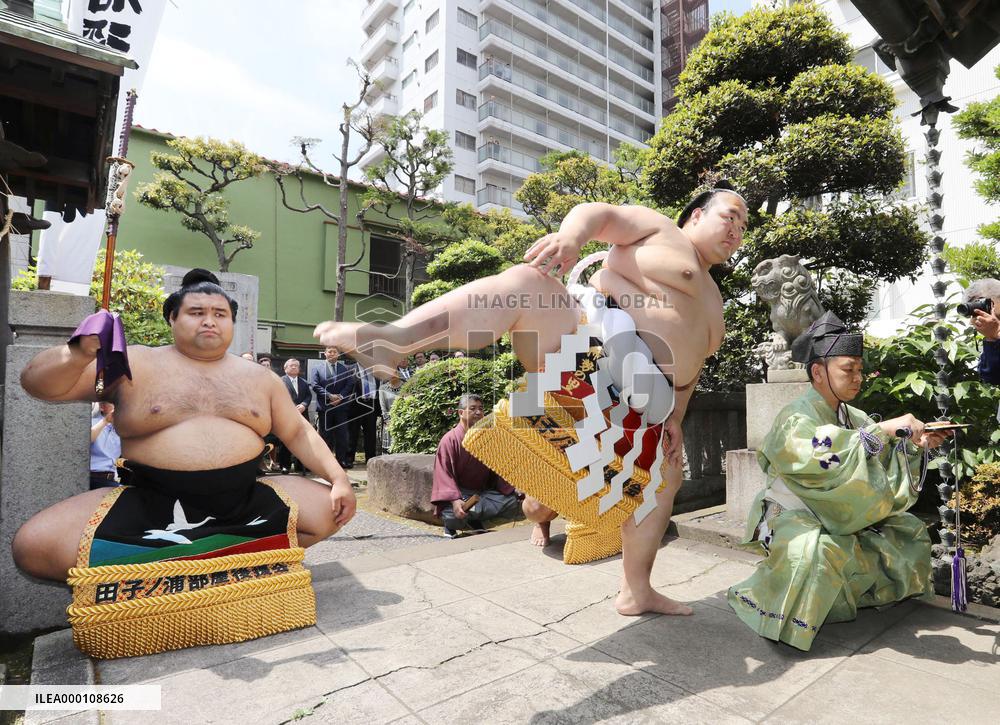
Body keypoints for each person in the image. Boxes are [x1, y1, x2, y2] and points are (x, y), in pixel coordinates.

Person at [315, 190, 748, 616]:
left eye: (744, 225)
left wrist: (675, 416)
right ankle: (399, 339)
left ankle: (637, 591)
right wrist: (572, 237)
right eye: (730, 216)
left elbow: (690, 373)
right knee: (527, 285)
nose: (737, 229)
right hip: (588, 348)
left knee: (663, 483)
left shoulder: (716, 300)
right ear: (695, 214)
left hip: (645, 407)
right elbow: (598, 213)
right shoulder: (660, 231)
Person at [13, 269, 355, 582]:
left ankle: (212, 561)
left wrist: (338, 478)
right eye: (196, 313)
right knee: (33, 547)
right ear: (172, 319)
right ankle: (189, 564)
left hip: (244, 500)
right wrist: (78, 352)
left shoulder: (260, 378)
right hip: (151, 504)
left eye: (220, 314)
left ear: (232, 323)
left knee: (332, 509)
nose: (209, 321)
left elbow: (297, 431)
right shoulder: (136, 362)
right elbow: (39, 386)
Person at [727, 312, 949, 651]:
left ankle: (851, 599)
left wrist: (914, 446)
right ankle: (772, 602)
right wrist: (879, 432)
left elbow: (880, 461)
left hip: (840, 512)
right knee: (818, 552)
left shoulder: (854, 417)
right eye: (849, 369)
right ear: (818, 372)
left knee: (906, 531)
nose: (858, 378)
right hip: (790, 514)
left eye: (860, 369)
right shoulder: (794, 417)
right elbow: (823, 456)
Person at [431, 394, 519, 538]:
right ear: (461, 413)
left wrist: (513, 488)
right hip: (460, 495)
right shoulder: (449, 440)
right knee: (452, 514)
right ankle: (453, 524)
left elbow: (498, 468)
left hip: (482, 494)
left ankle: (475, 519)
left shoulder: (487, 438)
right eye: (472, 409)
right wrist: (454, 501)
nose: (478, 412)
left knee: (513, 501)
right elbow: (443, 474)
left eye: (481, 409)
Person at [309, 346, 357, 469]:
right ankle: (325, 462)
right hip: (325, 407)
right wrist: (329, 396)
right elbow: (315, 385)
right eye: (329, 351)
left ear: (338, 354)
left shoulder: (345, 369)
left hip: (341, 408)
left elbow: (350, 384)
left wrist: (340, 397)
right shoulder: (317, 369)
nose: (332, 354)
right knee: (325, 435)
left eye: (334, 352)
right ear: (325, 354)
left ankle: (341, 460)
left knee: (342, 436)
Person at [278, 358, 313, 473]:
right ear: (285, 368)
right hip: (287, 415)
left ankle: (301, 465)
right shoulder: (280, 381)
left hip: (303, 414)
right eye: (291, 365)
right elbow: (280, 397)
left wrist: (304, 404)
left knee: (303, 440)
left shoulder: (304, 382)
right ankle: (285, 465)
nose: (294, 367)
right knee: (286, 440)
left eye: (296, 366)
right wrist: (292, 407)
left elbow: (308, 396)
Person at [965, 279, 1000, 385]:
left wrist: (996, 332)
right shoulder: (991, 336)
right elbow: (991, 378)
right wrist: (992, 338)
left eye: (982, 301)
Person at [347, 358, 379, 465]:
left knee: (370, 433)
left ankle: (370, 459)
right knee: (352, 433)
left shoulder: (375, 371)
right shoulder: (350, 369)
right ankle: (349, 459)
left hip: (371, 405)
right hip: (355, 405)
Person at [89, 401, 121, 490]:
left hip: (110, 479)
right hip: (90, 478)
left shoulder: (122, 427)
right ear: (102, 406)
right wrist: (105, 421)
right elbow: (84, 441)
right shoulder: (91, 422)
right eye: (113, 403)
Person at [378, 373, 403, 453]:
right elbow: (383, 406)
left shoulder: (406, 386)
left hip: (403, 421)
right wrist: (387, 420)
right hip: (389, 422)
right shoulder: (383, 388)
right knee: (388, 450)